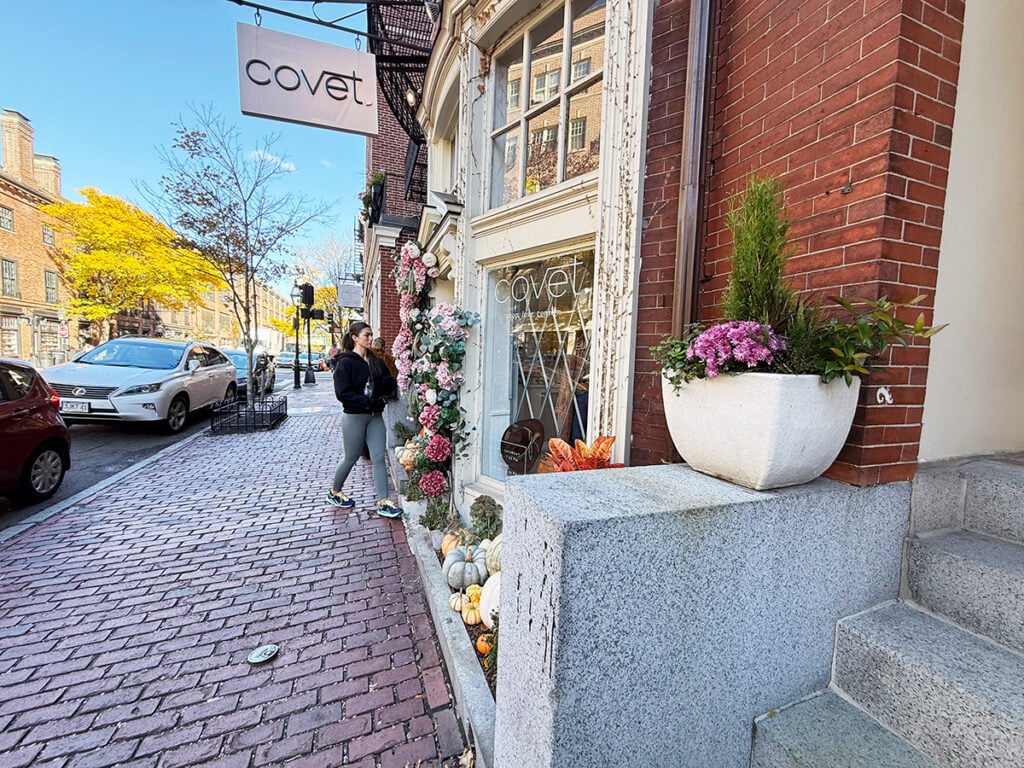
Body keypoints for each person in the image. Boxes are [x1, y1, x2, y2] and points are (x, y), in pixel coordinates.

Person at [327, 322, 403, 518]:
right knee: (351, 457)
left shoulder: (375, 360)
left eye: (371, 335)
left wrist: (387, 389)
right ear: (355, 338)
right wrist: (368, 401)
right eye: (366, 335)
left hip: (375, 417)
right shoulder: (345, 362)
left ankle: (384, 501)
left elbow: (387, 380)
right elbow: (342, 394)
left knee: (379, 457)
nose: (370, 338)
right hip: (354, 417)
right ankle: (335, 492)